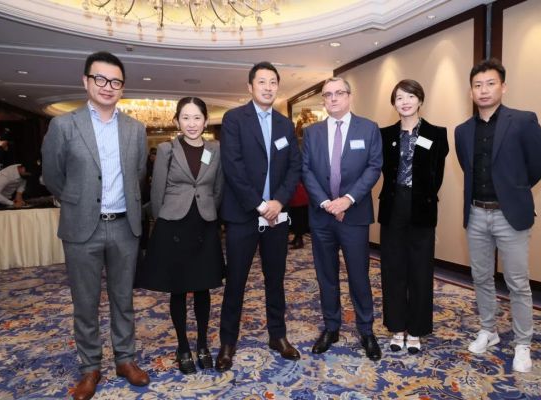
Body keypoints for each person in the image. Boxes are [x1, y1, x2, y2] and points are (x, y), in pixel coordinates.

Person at [41, 51, 149, 400]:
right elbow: (53, 176)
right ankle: (90, 367)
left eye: (115, 81)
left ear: (122, 87)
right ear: (86, 81)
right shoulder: (64, 125)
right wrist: (78, 200)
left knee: (123, 299)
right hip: (81, 228)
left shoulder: (135, 129)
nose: (108, 86)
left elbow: (138, 175)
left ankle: (125, 359)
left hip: (124, 227)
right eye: (100, 79)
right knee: (85, 302)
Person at [454, 58, 541, 373]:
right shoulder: (463, 131)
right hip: (476, 213)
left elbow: (538, 166)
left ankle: (523, 343)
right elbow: (467, 167)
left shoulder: (522, 121)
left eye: (490, 83)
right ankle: (488, 330)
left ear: (503, 87)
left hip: (510, 215)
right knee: (481, 277)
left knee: (517, 282)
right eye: (477, 85)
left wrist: (514, 192)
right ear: (471, 91)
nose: (484, 90)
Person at [216, 61, 302, 372]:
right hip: (243, 216)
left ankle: (277, 336)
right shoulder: (234, 119)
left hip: (277, 217)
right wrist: (259, 204)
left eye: (273, 82)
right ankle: (228, 342)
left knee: (275, 280)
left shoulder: (285, 124)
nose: (268, 87)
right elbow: (233, 166)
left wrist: (278, 201)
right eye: (262, 82)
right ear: (250, 87)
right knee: (236, 282)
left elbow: (294, 166)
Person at [136, 97, 224, 374]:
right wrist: (164, 220)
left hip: (204, 225)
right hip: (174, 226)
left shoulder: (215, 149)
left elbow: (218, 188)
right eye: (185, 117)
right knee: (179, 288)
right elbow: (157, 191)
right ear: (176, 121)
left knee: (203, 287)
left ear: (205, 121)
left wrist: (208, 211)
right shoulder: (167, 149)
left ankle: (202, 344)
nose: (192, 123)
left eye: (197, 117)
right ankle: (183, 346)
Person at [302, 77, 383, 361]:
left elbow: (374, 167)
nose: (333, 98)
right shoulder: (311, 133)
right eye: (328, 94)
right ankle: (331, 327)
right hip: (321, 216)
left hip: (354, 215)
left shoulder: (368, 128)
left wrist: (347, 199)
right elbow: (306, 170)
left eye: (339, 93)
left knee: (359, 275)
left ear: (349, 96)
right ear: (323, 100)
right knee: (326, 276)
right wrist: (326, 203)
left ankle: (366, 330)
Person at [378, 79, 449, 354]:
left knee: (420, 271)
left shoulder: (437, 133)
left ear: (420, 100)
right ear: (393, 103)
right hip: (392, 207)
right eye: (399, 97)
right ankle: (397, 327)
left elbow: (437, 176)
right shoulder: (384, 135)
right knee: (393, 269)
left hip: (422, 208)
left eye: (410, 96)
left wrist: (420, 196)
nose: (405, 102)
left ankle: (417, 330)